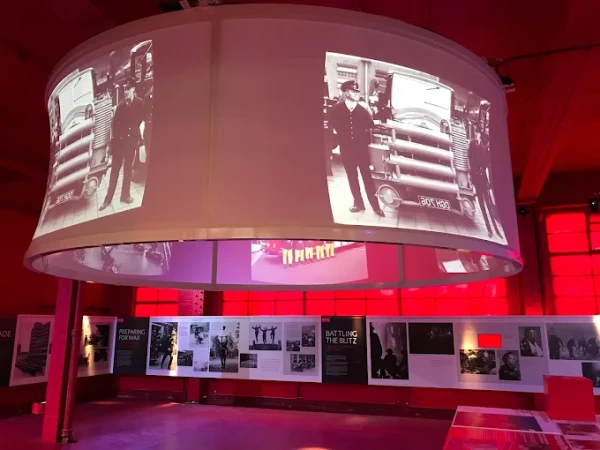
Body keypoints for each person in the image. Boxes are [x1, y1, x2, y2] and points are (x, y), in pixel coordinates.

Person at [328, 80, 384, 218]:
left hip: (361, 151)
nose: (356, 94)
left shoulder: (362, 110)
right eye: (353, 91)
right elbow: (332, 127)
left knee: (367, 178)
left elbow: (371, 126)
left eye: (357, 91)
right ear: (346, 93)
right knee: (352, 178)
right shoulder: (336, 109)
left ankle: (376, 206)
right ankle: (358, 204)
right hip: (346, 150)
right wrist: (336, 143)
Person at [100, 76, 145, 211]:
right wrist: (113, 144)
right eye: (124, 89)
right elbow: (114, 125)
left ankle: (125, 196)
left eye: (128, 89)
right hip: (120, 143)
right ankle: (107, 199)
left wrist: (136, 134)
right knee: (114, 171)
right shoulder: (120, 107)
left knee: (128, 170)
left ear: (133, 89)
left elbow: (141, 118)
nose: (126, 92)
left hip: (131, 142)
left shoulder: (139, 103)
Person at [468, 126, 502, 238]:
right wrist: (472, 178)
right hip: (476, 178)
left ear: (480, 134)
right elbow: (470, 159)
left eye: (477, 132)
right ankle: (489, 230)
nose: (476, 134)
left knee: (488, 205)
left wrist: (483, 171)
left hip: (483, 179)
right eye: (475, 132)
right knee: (482, 206)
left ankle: (496, 229)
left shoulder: (483, 147)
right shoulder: (472, 144)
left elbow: (486, 162)